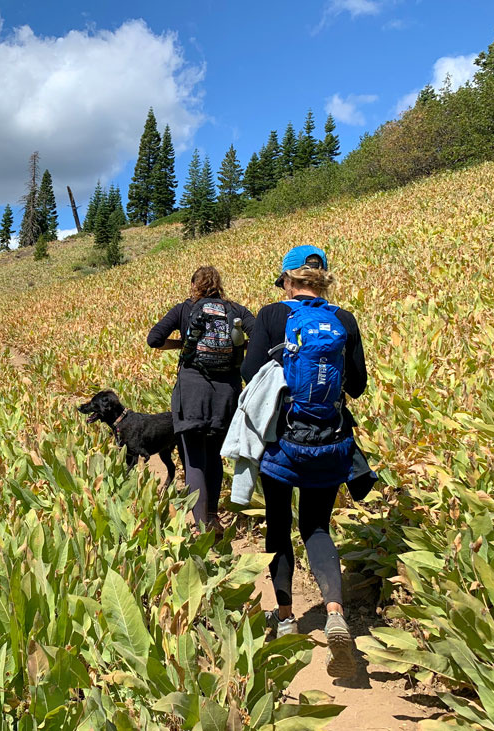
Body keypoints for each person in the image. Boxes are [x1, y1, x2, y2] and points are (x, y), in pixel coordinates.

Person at [241, 244, 367, 679]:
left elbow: (249, 372)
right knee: (316, 526)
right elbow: (359, 385)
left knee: (279, 524)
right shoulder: (343, 320)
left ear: (287, 281)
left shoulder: (273, 315)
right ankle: (334, 611)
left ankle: (288, 616)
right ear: (323, 280)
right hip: (331, 440)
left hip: (283, 442)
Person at [147, 266, 255, 534]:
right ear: (219, 285)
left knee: (194, 459)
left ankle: (202, 526)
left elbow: (154, 340)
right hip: (226, 393)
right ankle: (213, 517)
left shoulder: (185, 309)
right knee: (214, 456)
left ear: (194, 285)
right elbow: (259, 337)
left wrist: (182, 344)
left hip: (192, 392)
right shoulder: (236, 310)